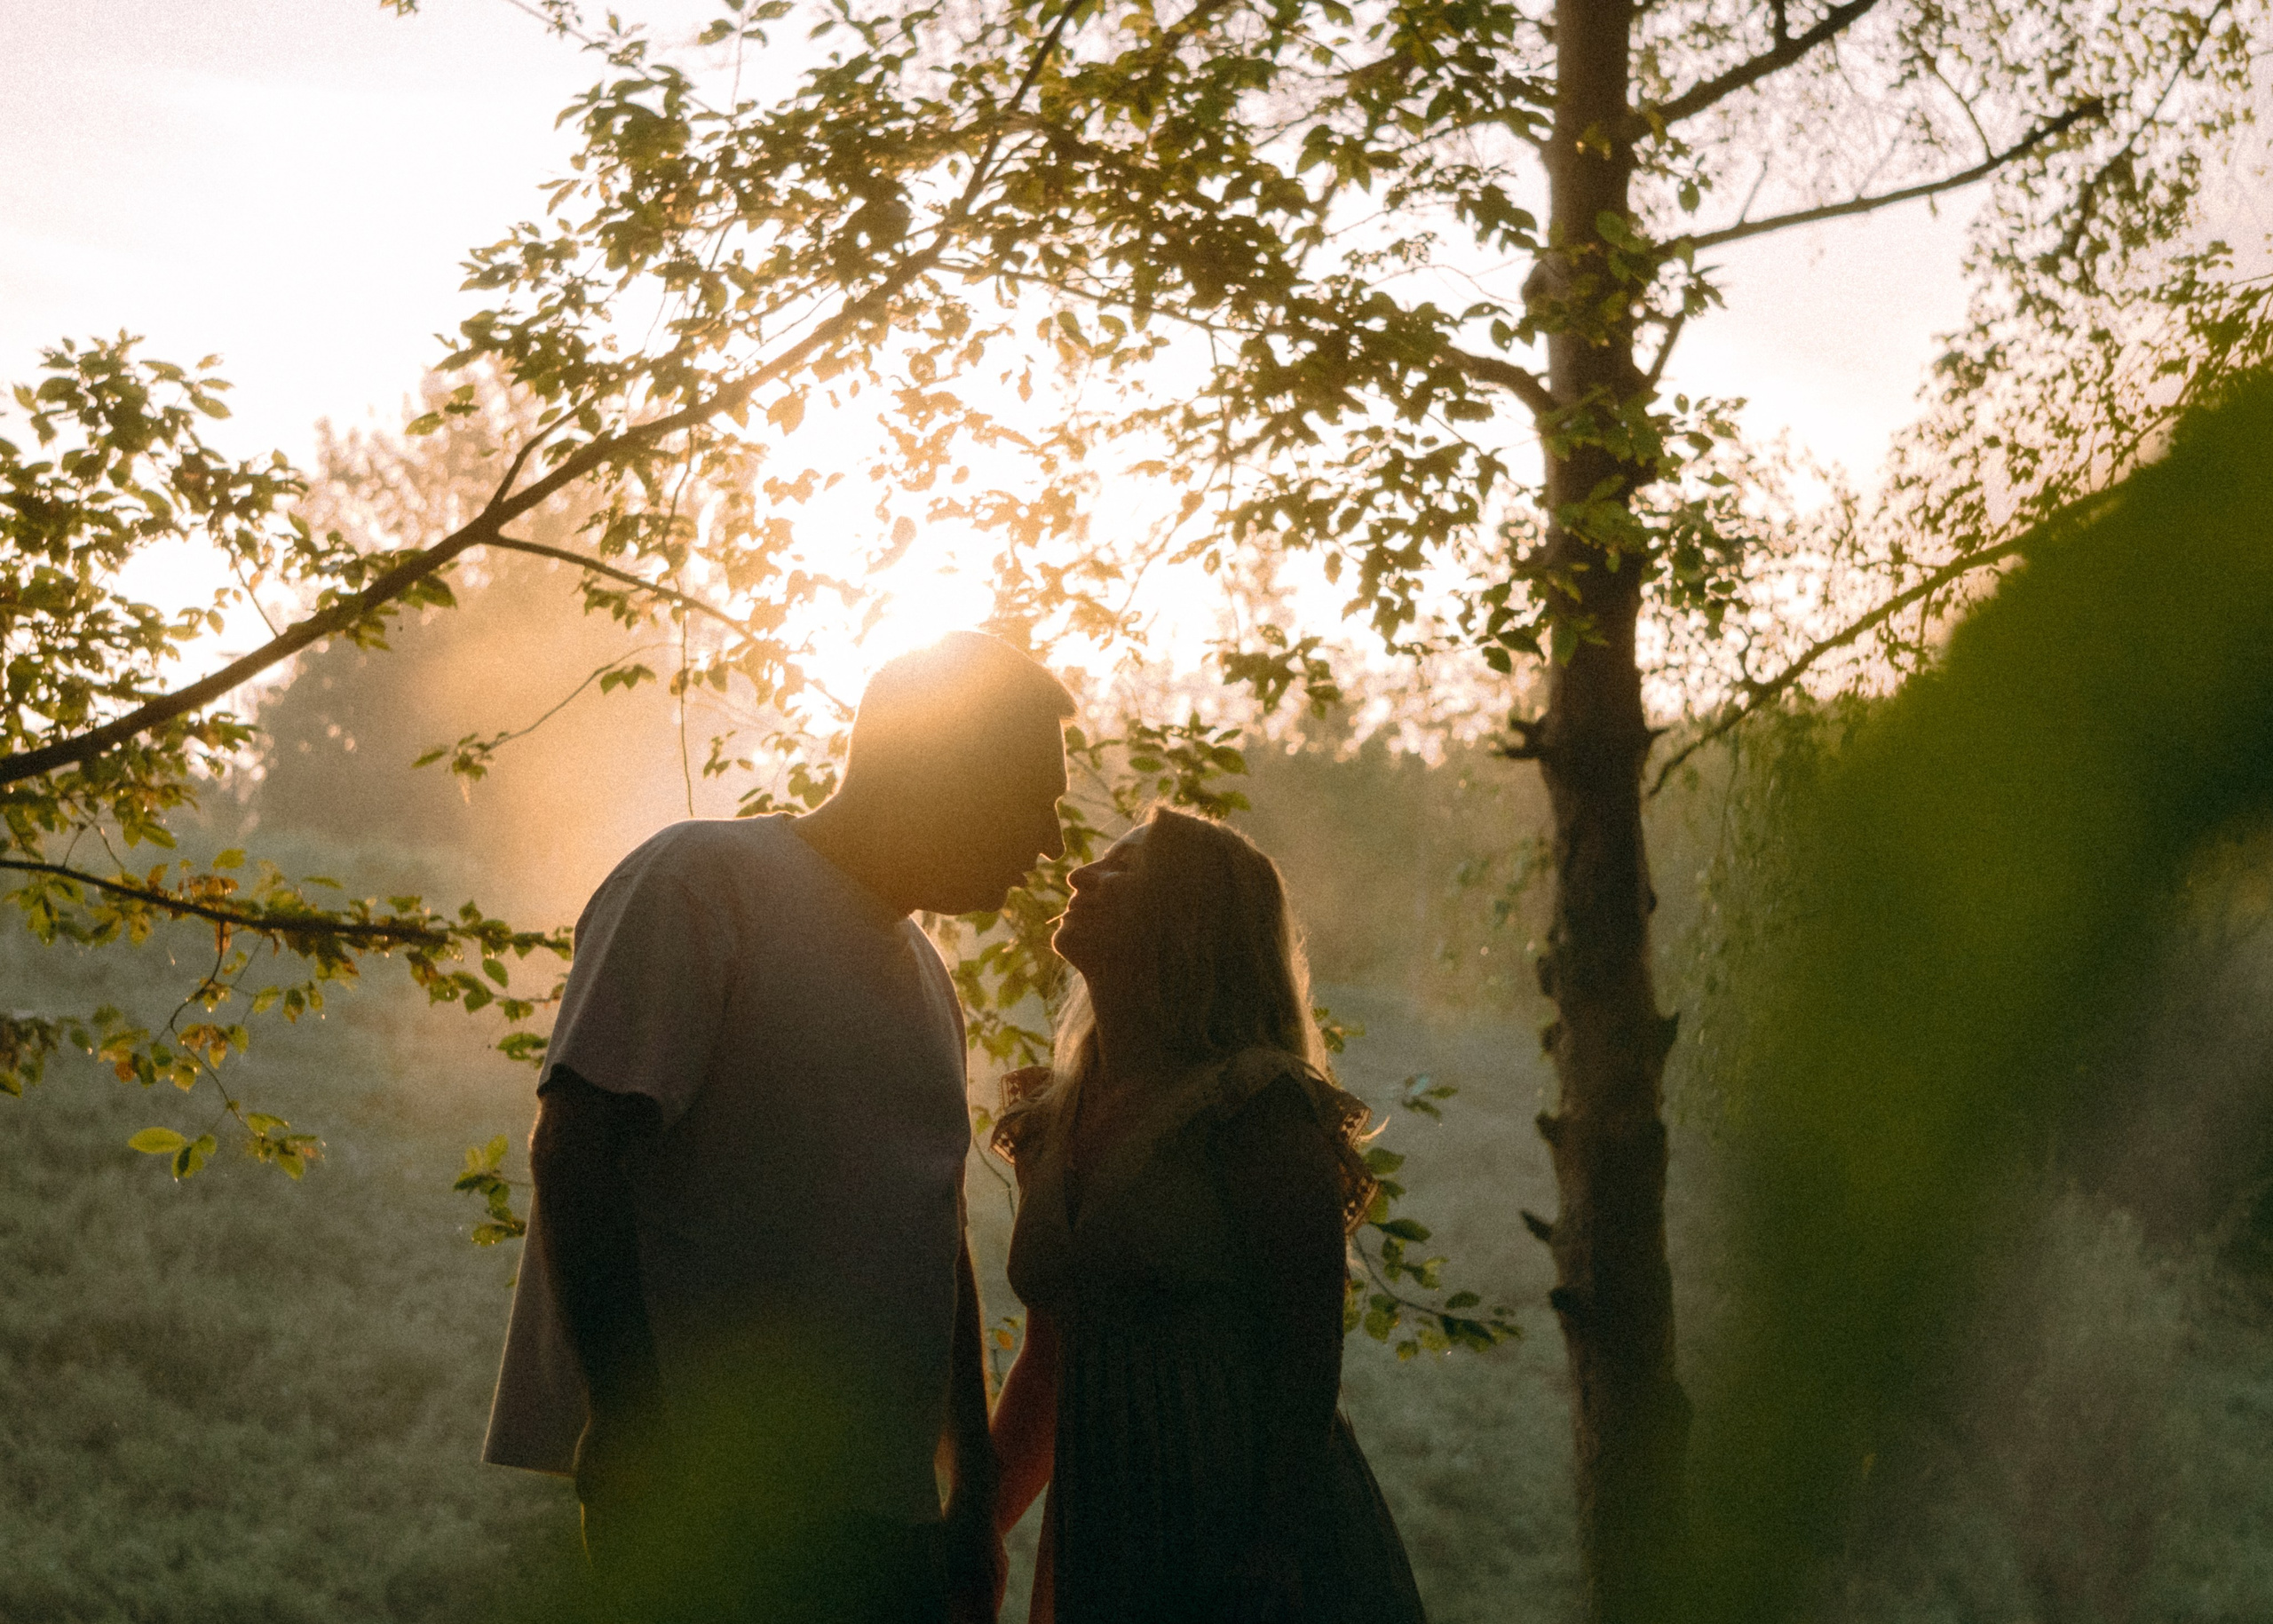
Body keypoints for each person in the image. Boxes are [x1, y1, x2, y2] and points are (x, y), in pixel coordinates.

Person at [480, 630, 1076, 1624]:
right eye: (1033, 800)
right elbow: (577, 1147)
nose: (1049, 842)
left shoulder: (929, 976)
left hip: (886, 1526)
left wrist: (972, 1500)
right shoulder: (698, 883)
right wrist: (631, 1425)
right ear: (946, 772)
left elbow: (934, 1242)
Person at [986, 807, 1429, 1624]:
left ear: (1189, 921)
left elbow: (1306, 1358)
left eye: (1122, 870)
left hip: (1246, 1548)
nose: (1080, 875)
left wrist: (1269, 1553)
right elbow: (1049, 1362)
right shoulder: (1049, 1122)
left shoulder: (1256, 1108)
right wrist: (973, 1531)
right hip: (1111, 1539)